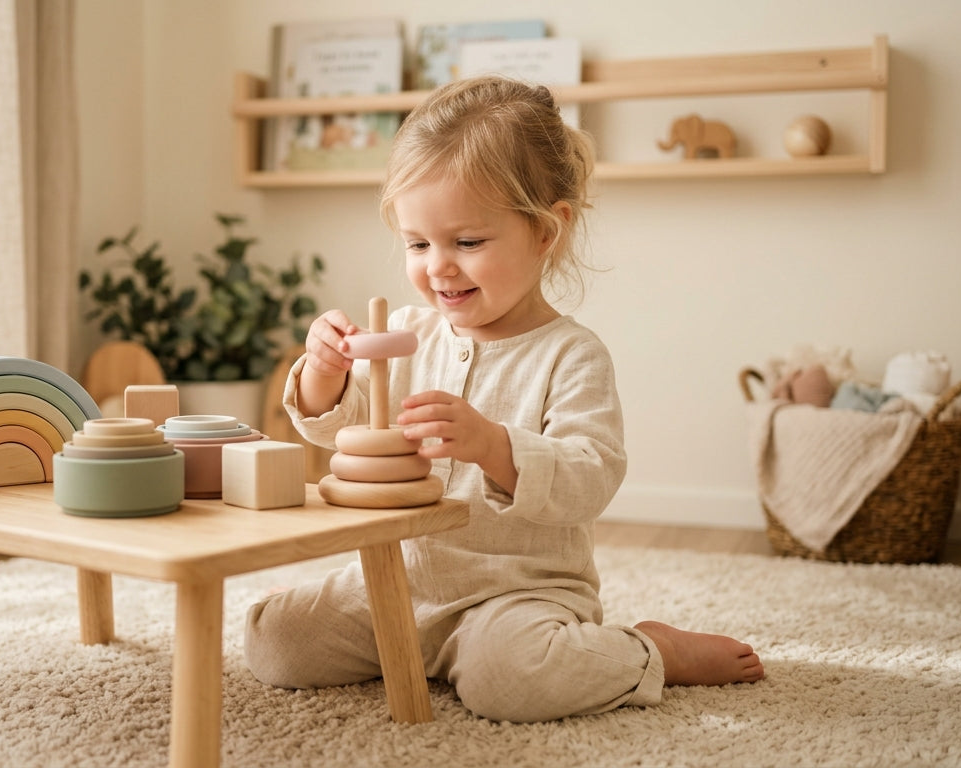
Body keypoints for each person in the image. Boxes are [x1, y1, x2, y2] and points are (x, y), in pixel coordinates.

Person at [243, 75, 764, 723]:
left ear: (546, 233)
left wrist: (495, 446)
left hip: (516, 596)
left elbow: (590, 477)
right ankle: (415, 646)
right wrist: (324, 371)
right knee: (272, 639)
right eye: (417, 243)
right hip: (400, 582)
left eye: (467, 242)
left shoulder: (570, 354)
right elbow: (337, 429)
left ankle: (647, 650)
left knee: (513, 683)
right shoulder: (406, 337)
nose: (438, 266)